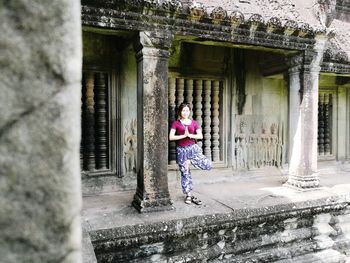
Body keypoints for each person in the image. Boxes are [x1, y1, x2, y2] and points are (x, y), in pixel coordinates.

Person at [169, 102, 212, 205]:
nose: (185, 112)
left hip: (193, 149)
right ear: (180, 112)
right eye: (183, 110)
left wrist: (190, 135)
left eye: (187, 110)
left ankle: (192, 162)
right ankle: (188, 195)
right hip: (182, 151)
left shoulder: (194, 123)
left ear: (189, 111)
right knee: (185, 173)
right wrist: (184, 135)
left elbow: (200, 136)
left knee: (208, 165)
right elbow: (171, 137)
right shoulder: (176, 123)